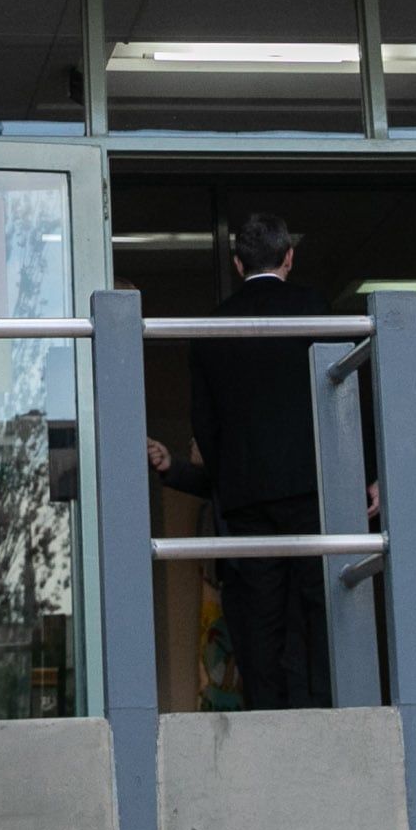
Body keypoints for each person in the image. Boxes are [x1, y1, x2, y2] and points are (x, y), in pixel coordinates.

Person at [147, 211, 340, 709]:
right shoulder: (316, 309)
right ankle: (322, 711)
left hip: (245, 499)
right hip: (311, 489)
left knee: (258, 619)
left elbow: (204, 421)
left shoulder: (212, 327)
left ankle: (268, 720)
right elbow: (343, 401)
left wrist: (226, 475)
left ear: (236, 263)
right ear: (289, 257)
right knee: (318, 608)